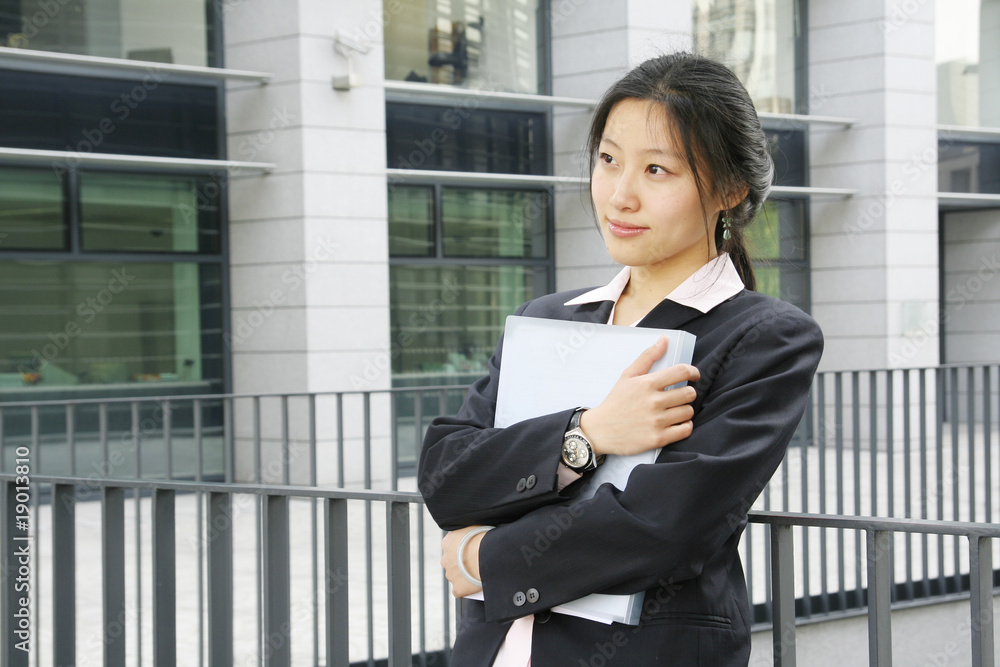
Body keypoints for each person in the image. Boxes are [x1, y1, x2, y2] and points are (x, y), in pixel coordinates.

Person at [418, 51, 824, 666]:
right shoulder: (550, 318)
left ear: (729, 190)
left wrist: (481, 558)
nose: (620, 194)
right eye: (608, 160)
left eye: (657, 169)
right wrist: (587, 433)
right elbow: (449, 475)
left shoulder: (762, 337)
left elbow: (662, 529)